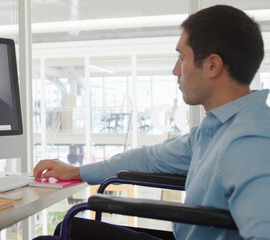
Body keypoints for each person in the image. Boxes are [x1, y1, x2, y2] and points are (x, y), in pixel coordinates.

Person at [33, 5, 270, 240]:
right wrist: (76, 171)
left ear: (212, 65)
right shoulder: (216, 130)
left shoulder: (250, 142)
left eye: (181, 57)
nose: (175, 70)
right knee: (69, 228)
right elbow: (149, 158)